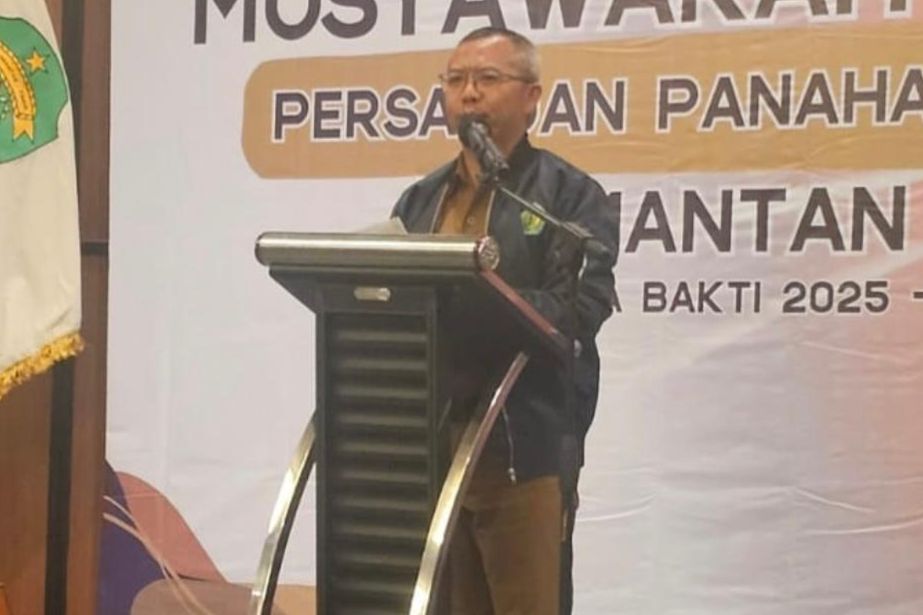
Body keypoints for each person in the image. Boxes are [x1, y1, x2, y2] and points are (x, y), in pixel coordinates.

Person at [391, 27, 617, 614]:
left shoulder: (568, 197)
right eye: (455, 80)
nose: (468, 94)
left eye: (487, 79)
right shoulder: (421, 201)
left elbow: (581, 309)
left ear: (532, 96)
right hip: (433, 447)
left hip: (523, 447)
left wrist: (487, 300)